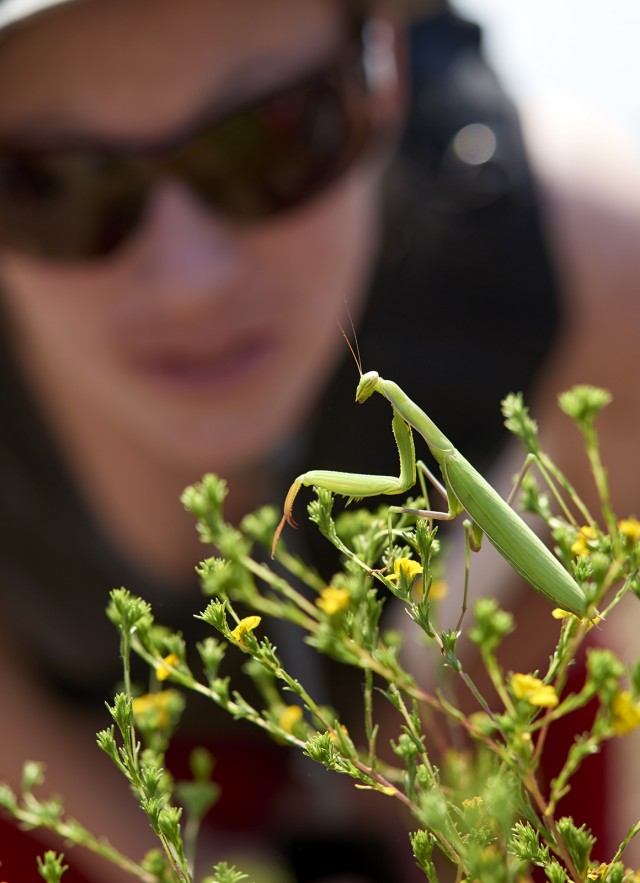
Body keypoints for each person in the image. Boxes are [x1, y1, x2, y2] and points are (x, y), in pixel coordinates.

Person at [2, 0, 638, 879]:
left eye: (274, 139)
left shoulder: (581, 255)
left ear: (388, 73)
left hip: (467, 713)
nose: (190, 284)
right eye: (46, 181)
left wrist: (429, 765)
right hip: (103, 754)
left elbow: (579, 571)